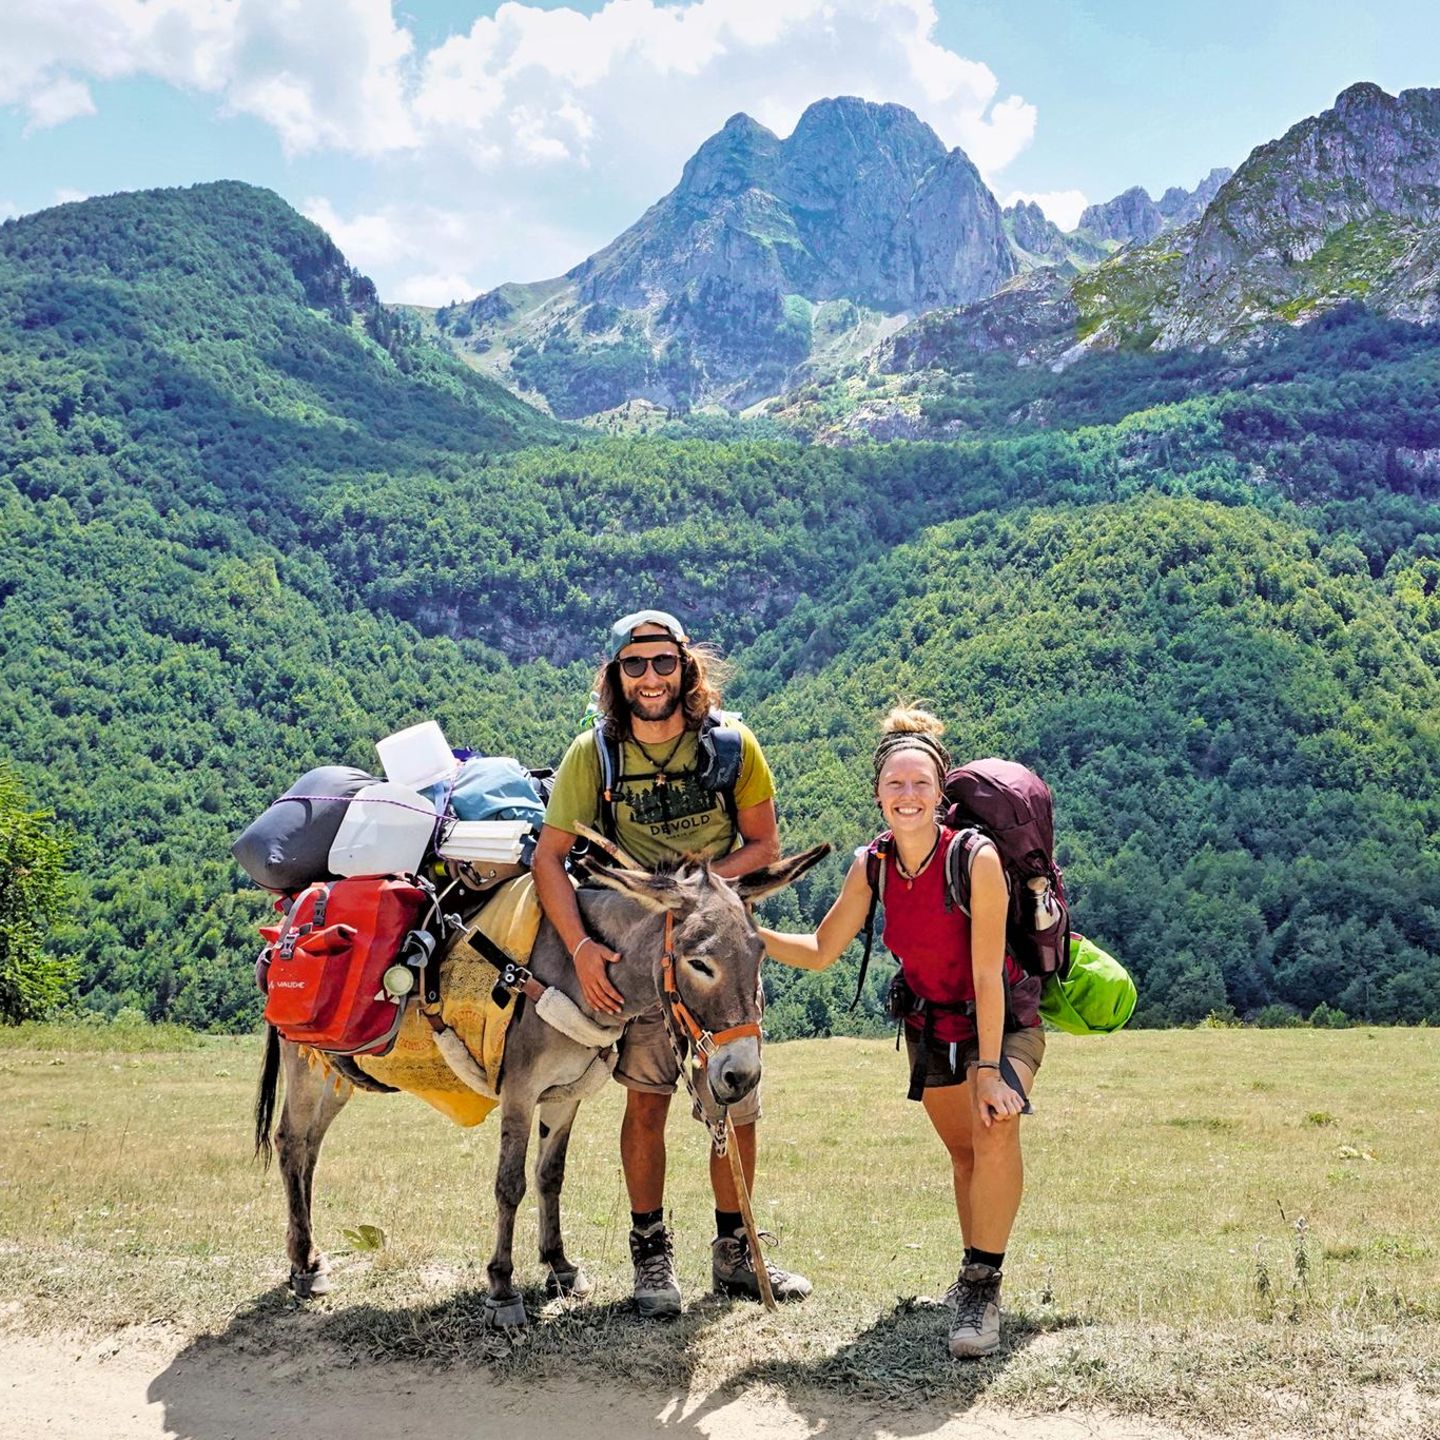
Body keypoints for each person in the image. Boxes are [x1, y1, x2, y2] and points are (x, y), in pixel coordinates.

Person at [532, 608, 812, 1317]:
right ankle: (651, 1255)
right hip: (643, 956)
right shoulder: (591, 755)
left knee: (736, 1100)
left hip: (717, 946)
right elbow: (549, 858)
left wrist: (694, 888)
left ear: (686, 668)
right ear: (616, 677)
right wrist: (583, 947)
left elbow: (763, 846)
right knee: (647, 1098)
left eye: (663, 663)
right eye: (635, 666)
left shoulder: (732, 745)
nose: (650, 678)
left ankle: (736, 1254)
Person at [758, 708, 1043, 1358]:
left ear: (941, 794)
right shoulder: (875, 865)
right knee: (964, 1156)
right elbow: (822, 949)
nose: (908, 796)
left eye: (920, 785)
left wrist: (992, 1068)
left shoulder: (975, 859)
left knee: (995, 1126)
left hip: (1000, 1021)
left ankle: (982, 1289)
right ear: (878, 793)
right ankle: (972, 1272)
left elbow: (988, 976)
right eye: (896, 784)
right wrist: (751, 935)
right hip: (930, 1022)